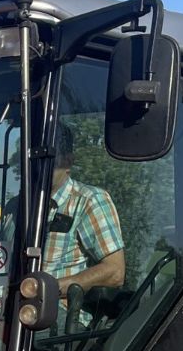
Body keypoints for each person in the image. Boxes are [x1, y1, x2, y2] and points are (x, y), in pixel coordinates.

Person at [42, 124, 125, 296]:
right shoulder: (15, 208)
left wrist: (47, 290)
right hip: (6, 311)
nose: (42, 166)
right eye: (36, 158)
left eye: (51, 159)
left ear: (68, 162)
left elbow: (115, 272)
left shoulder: (89, 201)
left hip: (61, 314)